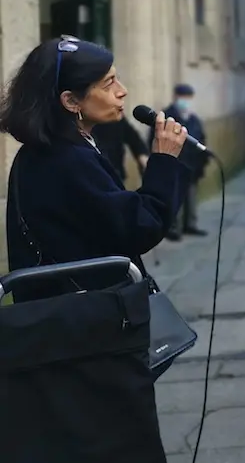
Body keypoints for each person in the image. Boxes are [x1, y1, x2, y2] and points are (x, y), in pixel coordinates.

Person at [0, 35, 188, 303]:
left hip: (71, 311)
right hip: (83, 322)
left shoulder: (51, 149)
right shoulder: (66, 158)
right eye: (108, 84)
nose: (122, 90)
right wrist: (165, 160)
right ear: (71, 101)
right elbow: (140, 228)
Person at [150, 84, 208, 240]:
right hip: (174, 164)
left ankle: (190, 225)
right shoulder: (167, 117)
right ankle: (173, 228)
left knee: (191, 196)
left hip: (191, 165)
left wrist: (202, 163)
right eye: (183, 97)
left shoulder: (194, 119)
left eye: (188, 98)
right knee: (174, 198)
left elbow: (201, 139)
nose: (186, 101)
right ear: (176, 97)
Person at [91, 115, 150, 183]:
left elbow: (133, 138)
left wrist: (142, 156)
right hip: (94, 174)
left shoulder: (115, 116)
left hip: (116, 173)